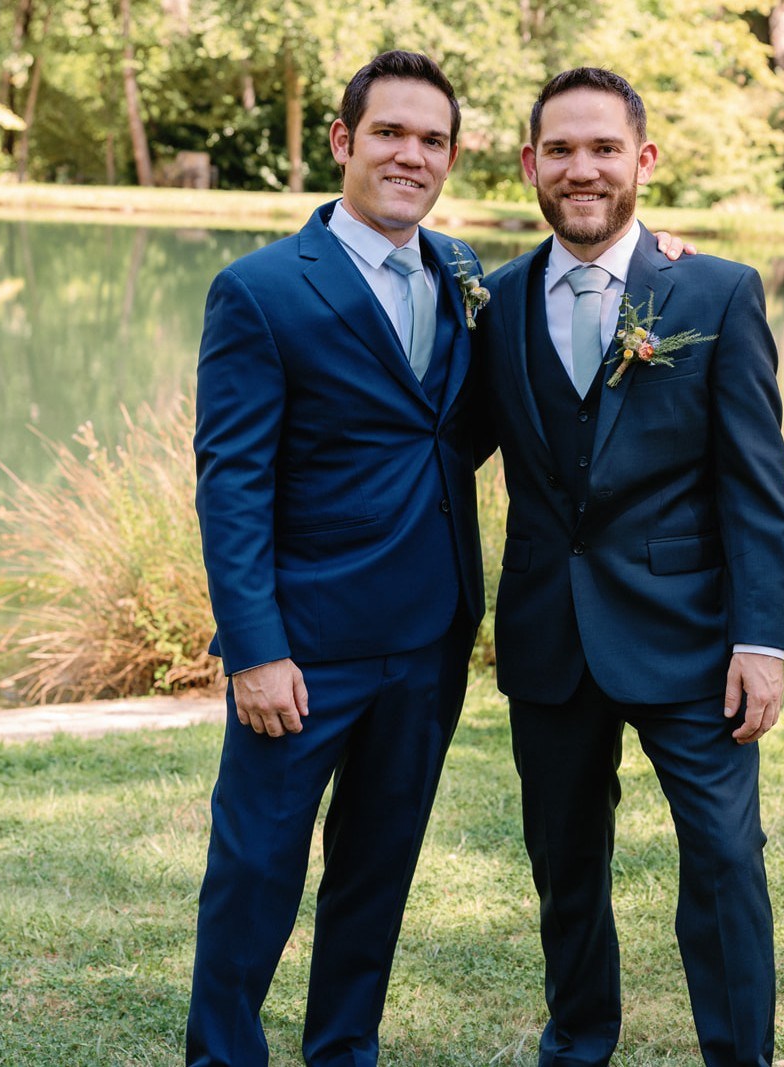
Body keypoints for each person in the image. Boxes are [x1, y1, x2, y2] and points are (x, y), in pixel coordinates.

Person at [188, 46, 694, 1067]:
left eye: (430, 139)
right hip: (304, 645)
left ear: (455, 157)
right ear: (343, 141)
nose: (409, 155)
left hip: (426, 639)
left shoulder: (465, 276)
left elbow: (522, 364)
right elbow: (230, 482)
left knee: (375, 872)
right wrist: (253, 646)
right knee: (256, 872)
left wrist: (648, 257)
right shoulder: (260, 291)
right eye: (388, 132)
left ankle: (343, 1050)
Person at [475, 68, 784, 1067]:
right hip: (545, 630)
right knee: (564, 864)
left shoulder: (714, 290)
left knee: (724, 857)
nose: (582, 169)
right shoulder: (490, 300)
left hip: (691, 632)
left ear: (641, 160)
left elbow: (754, 484)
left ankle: (737, 1053)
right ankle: (576, 1040)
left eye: (603, 148)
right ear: (530, 164)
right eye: (560, 150)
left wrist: (760, 640)